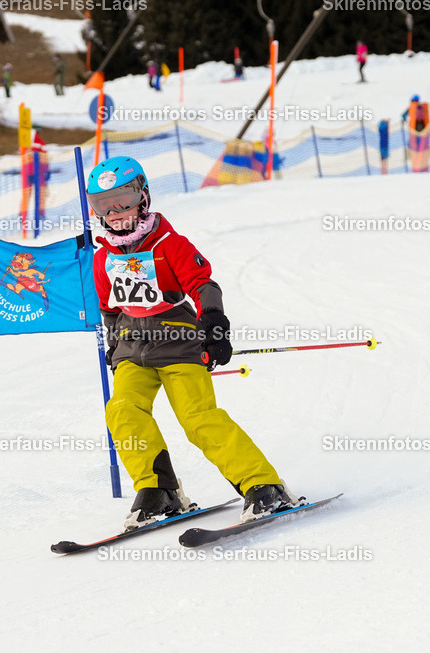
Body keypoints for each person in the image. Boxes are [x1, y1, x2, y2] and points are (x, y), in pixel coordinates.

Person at [86, 156, 302, 529]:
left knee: (198, 419)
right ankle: (159, 490)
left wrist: (214, 326)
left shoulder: (170, 244)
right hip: (131, 350)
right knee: (121, 411)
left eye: (123, 200)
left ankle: (262, 484)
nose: (115, 212)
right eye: (103, 204)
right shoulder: (103, 256)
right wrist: (113, 343)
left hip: (178, 344)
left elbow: (204, 286)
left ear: (144, 198)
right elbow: (109, 308)